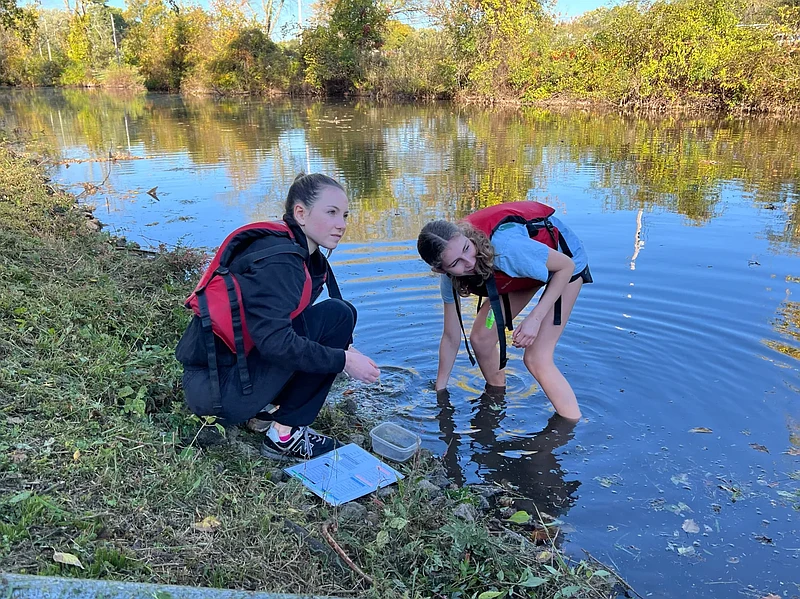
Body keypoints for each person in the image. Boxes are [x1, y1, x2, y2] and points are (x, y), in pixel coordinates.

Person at [176, 173, 380, 461]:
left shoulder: (297, 251)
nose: (342, 225)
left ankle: (263, 414)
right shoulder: (281, 262)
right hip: (219, 393)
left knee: (339, 315)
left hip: (217, 380)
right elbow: (275, 343)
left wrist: (343, 348)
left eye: (344, 215)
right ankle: (284, 436)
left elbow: (288, 322)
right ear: (301, 213)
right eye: (331, 213)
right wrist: (343, 360)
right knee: (338, 317)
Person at [417, 201, 591, 420]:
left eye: (466, 249)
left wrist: (534, 319)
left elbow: (566, 266)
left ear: (464, 236)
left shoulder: (508, 250)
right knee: (481, 339)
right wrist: (440, 392)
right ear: (440, 269)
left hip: (565, 265)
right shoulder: (449, 278)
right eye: (456, 263)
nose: (469, 262)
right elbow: (451, 337)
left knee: (537, 358)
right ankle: (498, 398)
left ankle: (571, 424)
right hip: (522, 270)